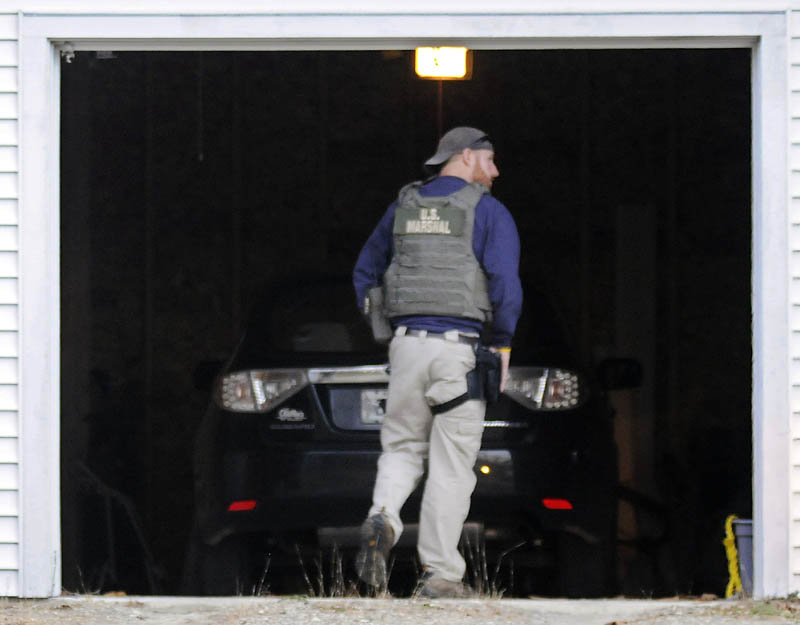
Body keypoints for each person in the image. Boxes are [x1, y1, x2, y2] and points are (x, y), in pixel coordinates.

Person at [352, 126, 523, 598]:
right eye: (490, 161)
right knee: (451, 466)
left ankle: (382, 518)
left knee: (403, 448)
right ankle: (441, 575)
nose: (495, 172)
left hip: (406, 347)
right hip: (460, 353)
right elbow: (505, 283)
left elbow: (365, 274)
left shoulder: (401, 208)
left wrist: (387, 332)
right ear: (466, 157)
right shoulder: (488, 211)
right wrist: (503, 344)